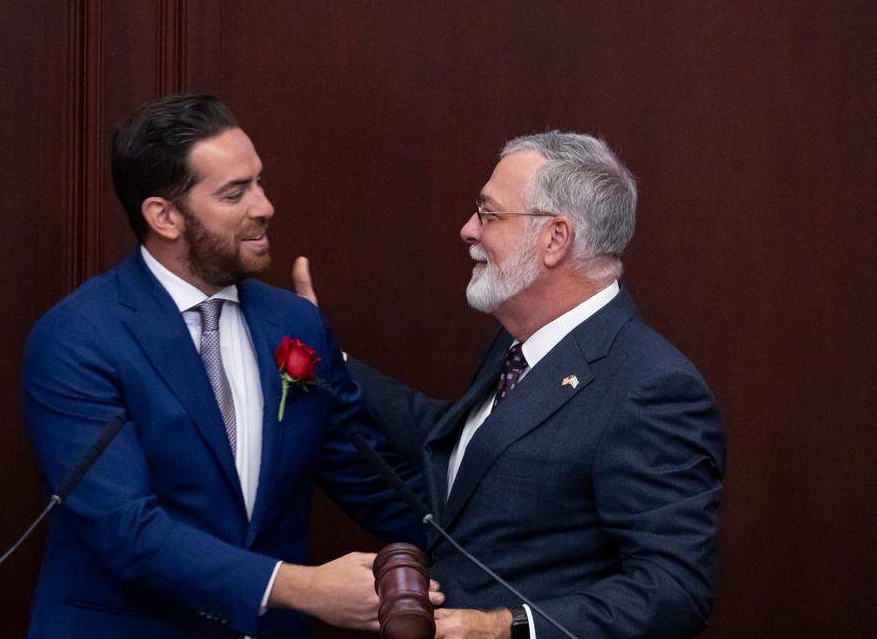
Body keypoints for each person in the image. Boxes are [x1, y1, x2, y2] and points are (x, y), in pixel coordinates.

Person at [22, 94, 437, 639]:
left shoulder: (296, 325)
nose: (264, 206)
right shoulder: (79, 338)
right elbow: (125, 529)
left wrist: (517, 556)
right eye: (235, 192)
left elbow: (371, 481)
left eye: (259, 182)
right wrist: (298, 587)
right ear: (164, 216)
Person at [294, 131, 725, 639]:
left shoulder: (652, 388)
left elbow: (674, 590)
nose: (467, 230)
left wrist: (505, 627)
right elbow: (462, 444)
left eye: (488, 214)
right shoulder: (518, 342)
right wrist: (325, 356)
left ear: (554, 239)